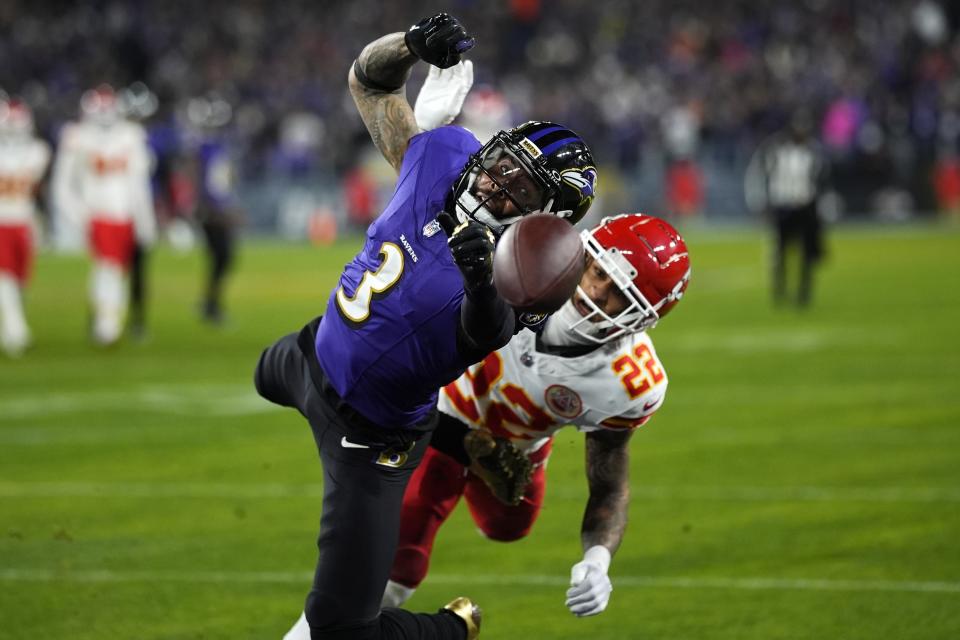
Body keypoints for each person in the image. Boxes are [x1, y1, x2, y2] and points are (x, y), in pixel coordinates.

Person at [256, 13, 598, 640]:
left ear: (549, 216)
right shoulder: (444, 156)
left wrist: (479, 277)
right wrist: (410, 44)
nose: (494, 180)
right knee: (263, 373)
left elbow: (486, 332)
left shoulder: (535, 271)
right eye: (500, 161)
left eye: (519, 186)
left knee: (340, 630)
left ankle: (452, 629)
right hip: (310, 356)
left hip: (371, 438)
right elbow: (369, 83)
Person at [381, 213, 691, 617]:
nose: (595, 292)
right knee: (402, 552)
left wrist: (597, 561)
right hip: (441, 409)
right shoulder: (523, 258)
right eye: (598, 271)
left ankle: (486, 463)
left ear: (641, 318)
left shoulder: (627, 381)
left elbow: (610, 484)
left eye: (618, 292)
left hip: (516, 446)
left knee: (506, 527)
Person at [51, 84, 156, 345]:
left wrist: (145, 221)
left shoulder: (131, 136)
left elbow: (138, 184)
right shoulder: (76, 136)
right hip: (98, 214)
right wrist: (79, 215)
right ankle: (106, 325)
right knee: (107, 269)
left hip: (125, 215)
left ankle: (107, 322)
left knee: (114, 271)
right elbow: (62, 185)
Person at [745, 111, 829, 307]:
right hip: (783, 206)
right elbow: (765, 176)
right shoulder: (776, 152)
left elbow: (820, 180)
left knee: (806, 254)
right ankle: (780, 292)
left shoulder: (812, 153)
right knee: (781, 252)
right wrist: (766, 202)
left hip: (804, 206)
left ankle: (803, 293)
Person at [0, 97, 51, 357]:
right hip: (2, 222)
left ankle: (11, 328)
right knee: (5, 277)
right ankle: (16, 331)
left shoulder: (37, 152)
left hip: (23, 220)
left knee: (20, 281)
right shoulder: (35, 152)